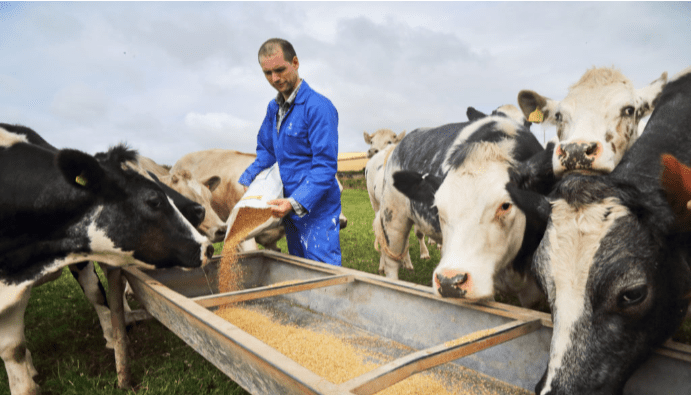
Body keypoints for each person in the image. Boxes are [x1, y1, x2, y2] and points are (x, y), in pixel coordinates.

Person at [238, 38, 342, 266]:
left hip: (315, 206)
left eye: (280, 70)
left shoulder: (318, 107)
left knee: (322, 270)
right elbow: (267, 151)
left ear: (295, 62)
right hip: (288, 205)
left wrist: (295, 201)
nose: (275, 79)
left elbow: (325, 166)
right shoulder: (273, 108)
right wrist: (248, 177)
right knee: (299, 266)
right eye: (267, 73)